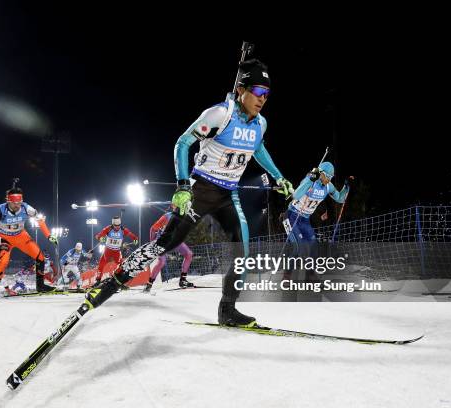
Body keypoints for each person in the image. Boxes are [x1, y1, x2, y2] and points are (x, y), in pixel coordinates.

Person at [81, 59, 292, 326]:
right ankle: (115, 280)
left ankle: (227, 310)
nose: (263, 99)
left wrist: (278, 176)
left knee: (243, 251)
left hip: (229, 194)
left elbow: (257, 148)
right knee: (165, 244)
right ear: (241, 89)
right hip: (201, 189)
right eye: (258, 92)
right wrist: (182, 186)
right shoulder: (219, 115)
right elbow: (182, 144)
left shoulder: (260, 124)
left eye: (267, 94)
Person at [0, 187, 58, 299]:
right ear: (8, 201)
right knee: (3, 262)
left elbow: (40, 221)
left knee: (40, 257)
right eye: (14, 202)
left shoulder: (27, 208)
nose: (17, 205)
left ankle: (40, 286)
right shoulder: (0, 211)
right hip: (6, 239)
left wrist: (49, 236)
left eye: (19, 202)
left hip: (21, 237)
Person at [144, 206, 194, 291]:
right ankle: (149, 284)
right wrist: (152, 242)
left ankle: (183, 280)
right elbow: (153, 229)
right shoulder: (167, 216)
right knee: (161, 262)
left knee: (188, 254)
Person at [94, 216, 138, 285]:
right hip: (108, 250)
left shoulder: (123, 230)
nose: (117, 227)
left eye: (119, 225)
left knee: (122, 265)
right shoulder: (108, 229)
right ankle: (98, 280)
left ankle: (117, 278)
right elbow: (97, 236)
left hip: (117, 251)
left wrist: (135, 239)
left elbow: (131, 235)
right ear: (112, 224)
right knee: (101, 264)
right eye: (115, 225)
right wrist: (100, 238)